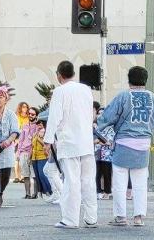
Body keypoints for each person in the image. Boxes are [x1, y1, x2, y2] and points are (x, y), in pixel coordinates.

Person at [97, 66, 154, 227]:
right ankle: (139, 217)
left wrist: (98, 127)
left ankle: (121, 216)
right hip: (143, 143)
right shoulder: (153, 98)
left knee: (119, 181)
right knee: (140, 183)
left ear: (129, 79)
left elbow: (107, 117)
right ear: (145, 80)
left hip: (124, 143)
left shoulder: (124, 96)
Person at [44, 61, 97, 229]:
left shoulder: (59, 91)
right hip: (86, 141)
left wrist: (48, 140)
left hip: (69, 142)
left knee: (71, 182)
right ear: (73, 73)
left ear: (59, 74)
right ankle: (91, 217)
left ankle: (70, 219)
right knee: (88, 181)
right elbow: (90, 114)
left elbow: (54, 117)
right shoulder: (86, 89)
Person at [17, 106, 39, 198]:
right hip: (23, 152)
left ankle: (35, 194)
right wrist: (18, 153)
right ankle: (27, 194)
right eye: (29, 114)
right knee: (25, 174)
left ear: (36, 116)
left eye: (33, 114)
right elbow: (21, 140)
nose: (30, 115)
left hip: (33, 152)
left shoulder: (38, 126)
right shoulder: (25, 126)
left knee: (34, 175)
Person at [95, 107, 114, 200]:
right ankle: (98, 192)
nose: (100, 115)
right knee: (97, 174)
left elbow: (109, 142)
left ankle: (107, 192)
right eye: (99, 113)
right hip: (96, 153)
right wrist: (98, 141)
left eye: (103, 113)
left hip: (107, 155)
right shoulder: (96, 128)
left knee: (107, 174)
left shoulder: (110, 128)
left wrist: (97, 141)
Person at [31, 118, 52, 198]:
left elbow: (45, 144)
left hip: (42, 156)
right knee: (38, 176)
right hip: (34, 157)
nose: (38, 126)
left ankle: (50, 191)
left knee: (43, 174)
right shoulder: (36, 133)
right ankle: (44, 192)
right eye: (37, 124)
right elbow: (32, 145)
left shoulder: (44, 132)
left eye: (40, 124)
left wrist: (38, 139)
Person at [14, 102, 30, 183]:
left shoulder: (29, 118)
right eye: (23, 107)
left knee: (24, 159)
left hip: (26, 141)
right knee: (17, 159)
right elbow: (14, 129)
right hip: (17, 140)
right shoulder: (16, 117)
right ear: (20, 108)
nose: (25, 108)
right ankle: (17, 177)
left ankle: (23, 177)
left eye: (26, 107)